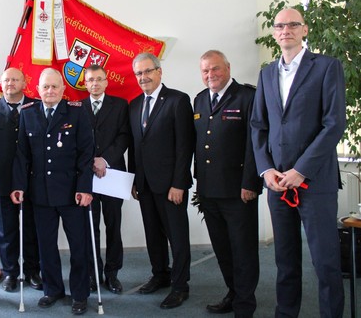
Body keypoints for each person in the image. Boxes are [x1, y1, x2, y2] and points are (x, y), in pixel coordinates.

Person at [250, 7, 345, 318]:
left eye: (293, 24)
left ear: (304, 30)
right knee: (285, 260)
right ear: (275, 32)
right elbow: (258, 126)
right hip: (277, 183)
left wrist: (300, 169)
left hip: (314, 181)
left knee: (326, 261)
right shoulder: (266, 73)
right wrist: (266, 171)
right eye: (280, 25)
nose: (285, 30)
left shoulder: (327, 67)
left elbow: (334, 124)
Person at [11, 68, 94, 315]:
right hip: (41, 194)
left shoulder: (77, 113)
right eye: (45, 87)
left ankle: (80, 294)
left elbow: (86, 154)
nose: (49, 91)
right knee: (46, 246)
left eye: (54, 87)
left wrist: (84, 188)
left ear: (62, 89)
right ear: (37, 89)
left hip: (72, 194)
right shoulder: (28, 114)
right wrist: (19, 186)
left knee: (79, 247)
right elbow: (22, 155)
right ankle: (53, 289)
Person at [193, 50, 262, 317]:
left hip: (238, 191)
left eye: (215, 69)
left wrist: (251, 183)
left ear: (228, 68)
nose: (210, 75)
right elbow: (199, 145)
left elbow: (254, 145)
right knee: (222, 249)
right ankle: (233, 294)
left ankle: (245, 306)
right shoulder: (199, 101)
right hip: (209, 191)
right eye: (205, 71)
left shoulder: (247, 97)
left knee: (243, 250)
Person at [128, 52, 195, 309]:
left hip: (171, 186)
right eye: (139, 73)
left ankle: (180, 286)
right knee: (153, 235)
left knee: (177, 237)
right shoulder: (134, 105)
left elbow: (184, 146)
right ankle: (160, 275)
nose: (143, 77)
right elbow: (136, 147)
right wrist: (134, 180)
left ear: (159, 72)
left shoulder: (178, 101)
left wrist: (179, 183)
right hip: (145, 185)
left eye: (147, 71)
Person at [0, 67, 42, 292]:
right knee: (6, 231)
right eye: (6, 80)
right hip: (1, 180)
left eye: (15, 79)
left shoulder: (36, 106)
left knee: (32, 229)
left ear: (24, 83)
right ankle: (10, 273)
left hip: (32, 180)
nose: (10, 83)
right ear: (1, 84)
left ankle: (33, 271)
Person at [80, 64, 130, 294]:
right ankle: (93, 274)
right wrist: (92, 160)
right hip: (88, 176)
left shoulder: (120, 105)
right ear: (85, 83)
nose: (95, 83)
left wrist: (105, 159)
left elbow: (124, 136)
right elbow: (76, 140)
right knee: (91, 228)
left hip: (113, 175)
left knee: (113, 226)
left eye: (99, 79)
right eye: (91, 80)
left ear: (106, 81)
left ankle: (112, 274)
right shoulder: (77, 106)